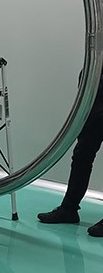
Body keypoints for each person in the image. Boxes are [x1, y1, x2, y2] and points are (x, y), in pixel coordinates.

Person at [38, 72, 103, 237]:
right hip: (96, 95)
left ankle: (69, 208)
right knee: (82, 155)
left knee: (83, 155)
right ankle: (69, 208)